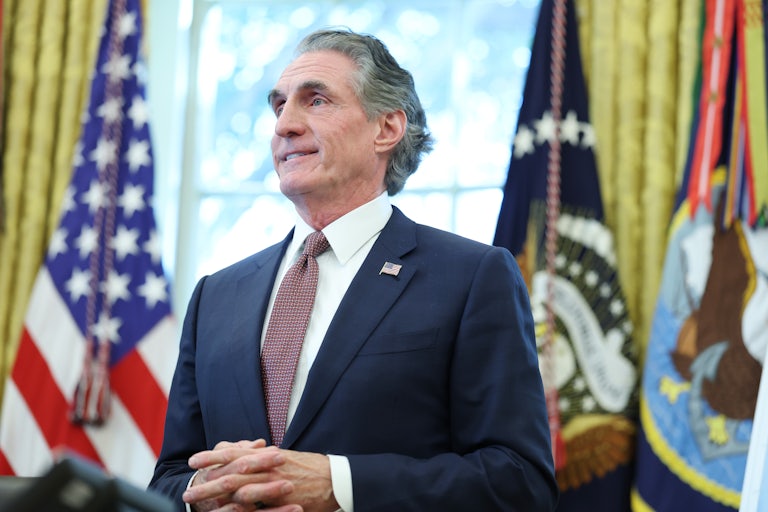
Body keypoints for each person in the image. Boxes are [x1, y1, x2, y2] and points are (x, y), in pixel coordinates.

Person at [148, 28, 558, 512]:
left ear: (386, 129)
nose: (284, 126)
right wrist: (213, 494)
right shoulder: (216, 296)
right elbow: (170, 479)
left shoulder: (472, 278)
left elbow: (518, 482)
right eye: (279, 106)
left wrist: (339, 483)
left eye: (315, 101)